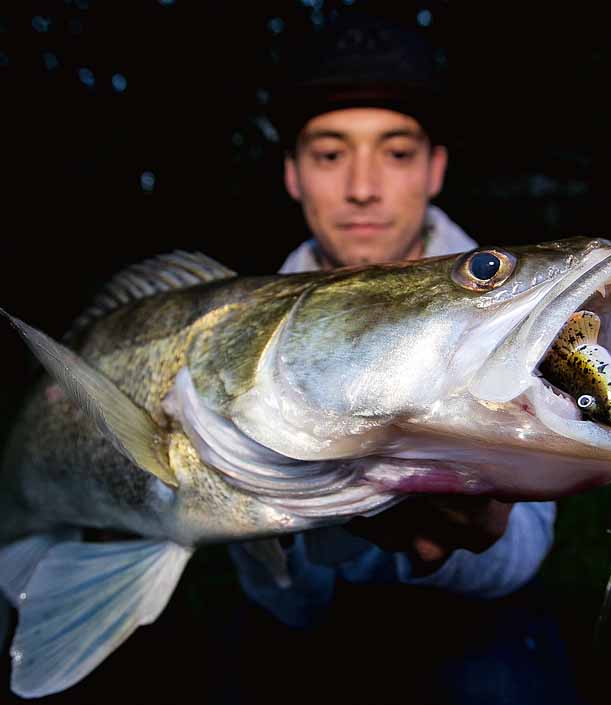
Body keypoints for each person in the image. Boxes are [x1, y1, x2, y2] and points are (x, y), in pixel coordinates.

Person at [222, 15, 578, 705]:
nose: (362, 187)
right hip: (307, 624)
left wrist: (457, 543)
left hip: (469, 620)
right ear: (293, 173)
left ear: (435, 168)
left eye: (396, 152)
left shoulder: (515, 313)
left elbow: (525, 549)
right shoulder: (239, 331)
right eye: (330, 154)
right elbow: (280, 594)